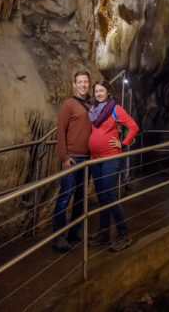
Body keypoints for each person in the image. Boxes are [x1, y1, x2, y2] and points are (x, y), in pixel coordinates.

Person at [88, 80, 139, 252]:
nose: (99, 93)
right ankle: (103, 234)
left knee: (109, 195)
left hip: (111, 158)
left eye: (102, 91)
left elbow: (133, 127)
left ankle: (123, 233)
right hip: (95, 160)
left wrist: (122, 143)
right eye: (96, 91)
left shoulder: (116, 109)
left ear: (108, 92)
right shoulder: (92, 110)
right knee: (102, 197)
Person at [52, 70, 91, 252]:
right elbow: (60, 131)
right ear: (74, 85)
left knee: (81, 196)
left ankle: (76, 229)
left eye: (85, 82)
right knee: (65, 196)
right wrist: (64, 156)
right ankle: (59, 235)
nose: (83, 85)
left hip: (88, 158)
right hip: (73, 158)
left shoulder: (91, 105)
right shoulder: (68, 104)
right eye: (80, 82)